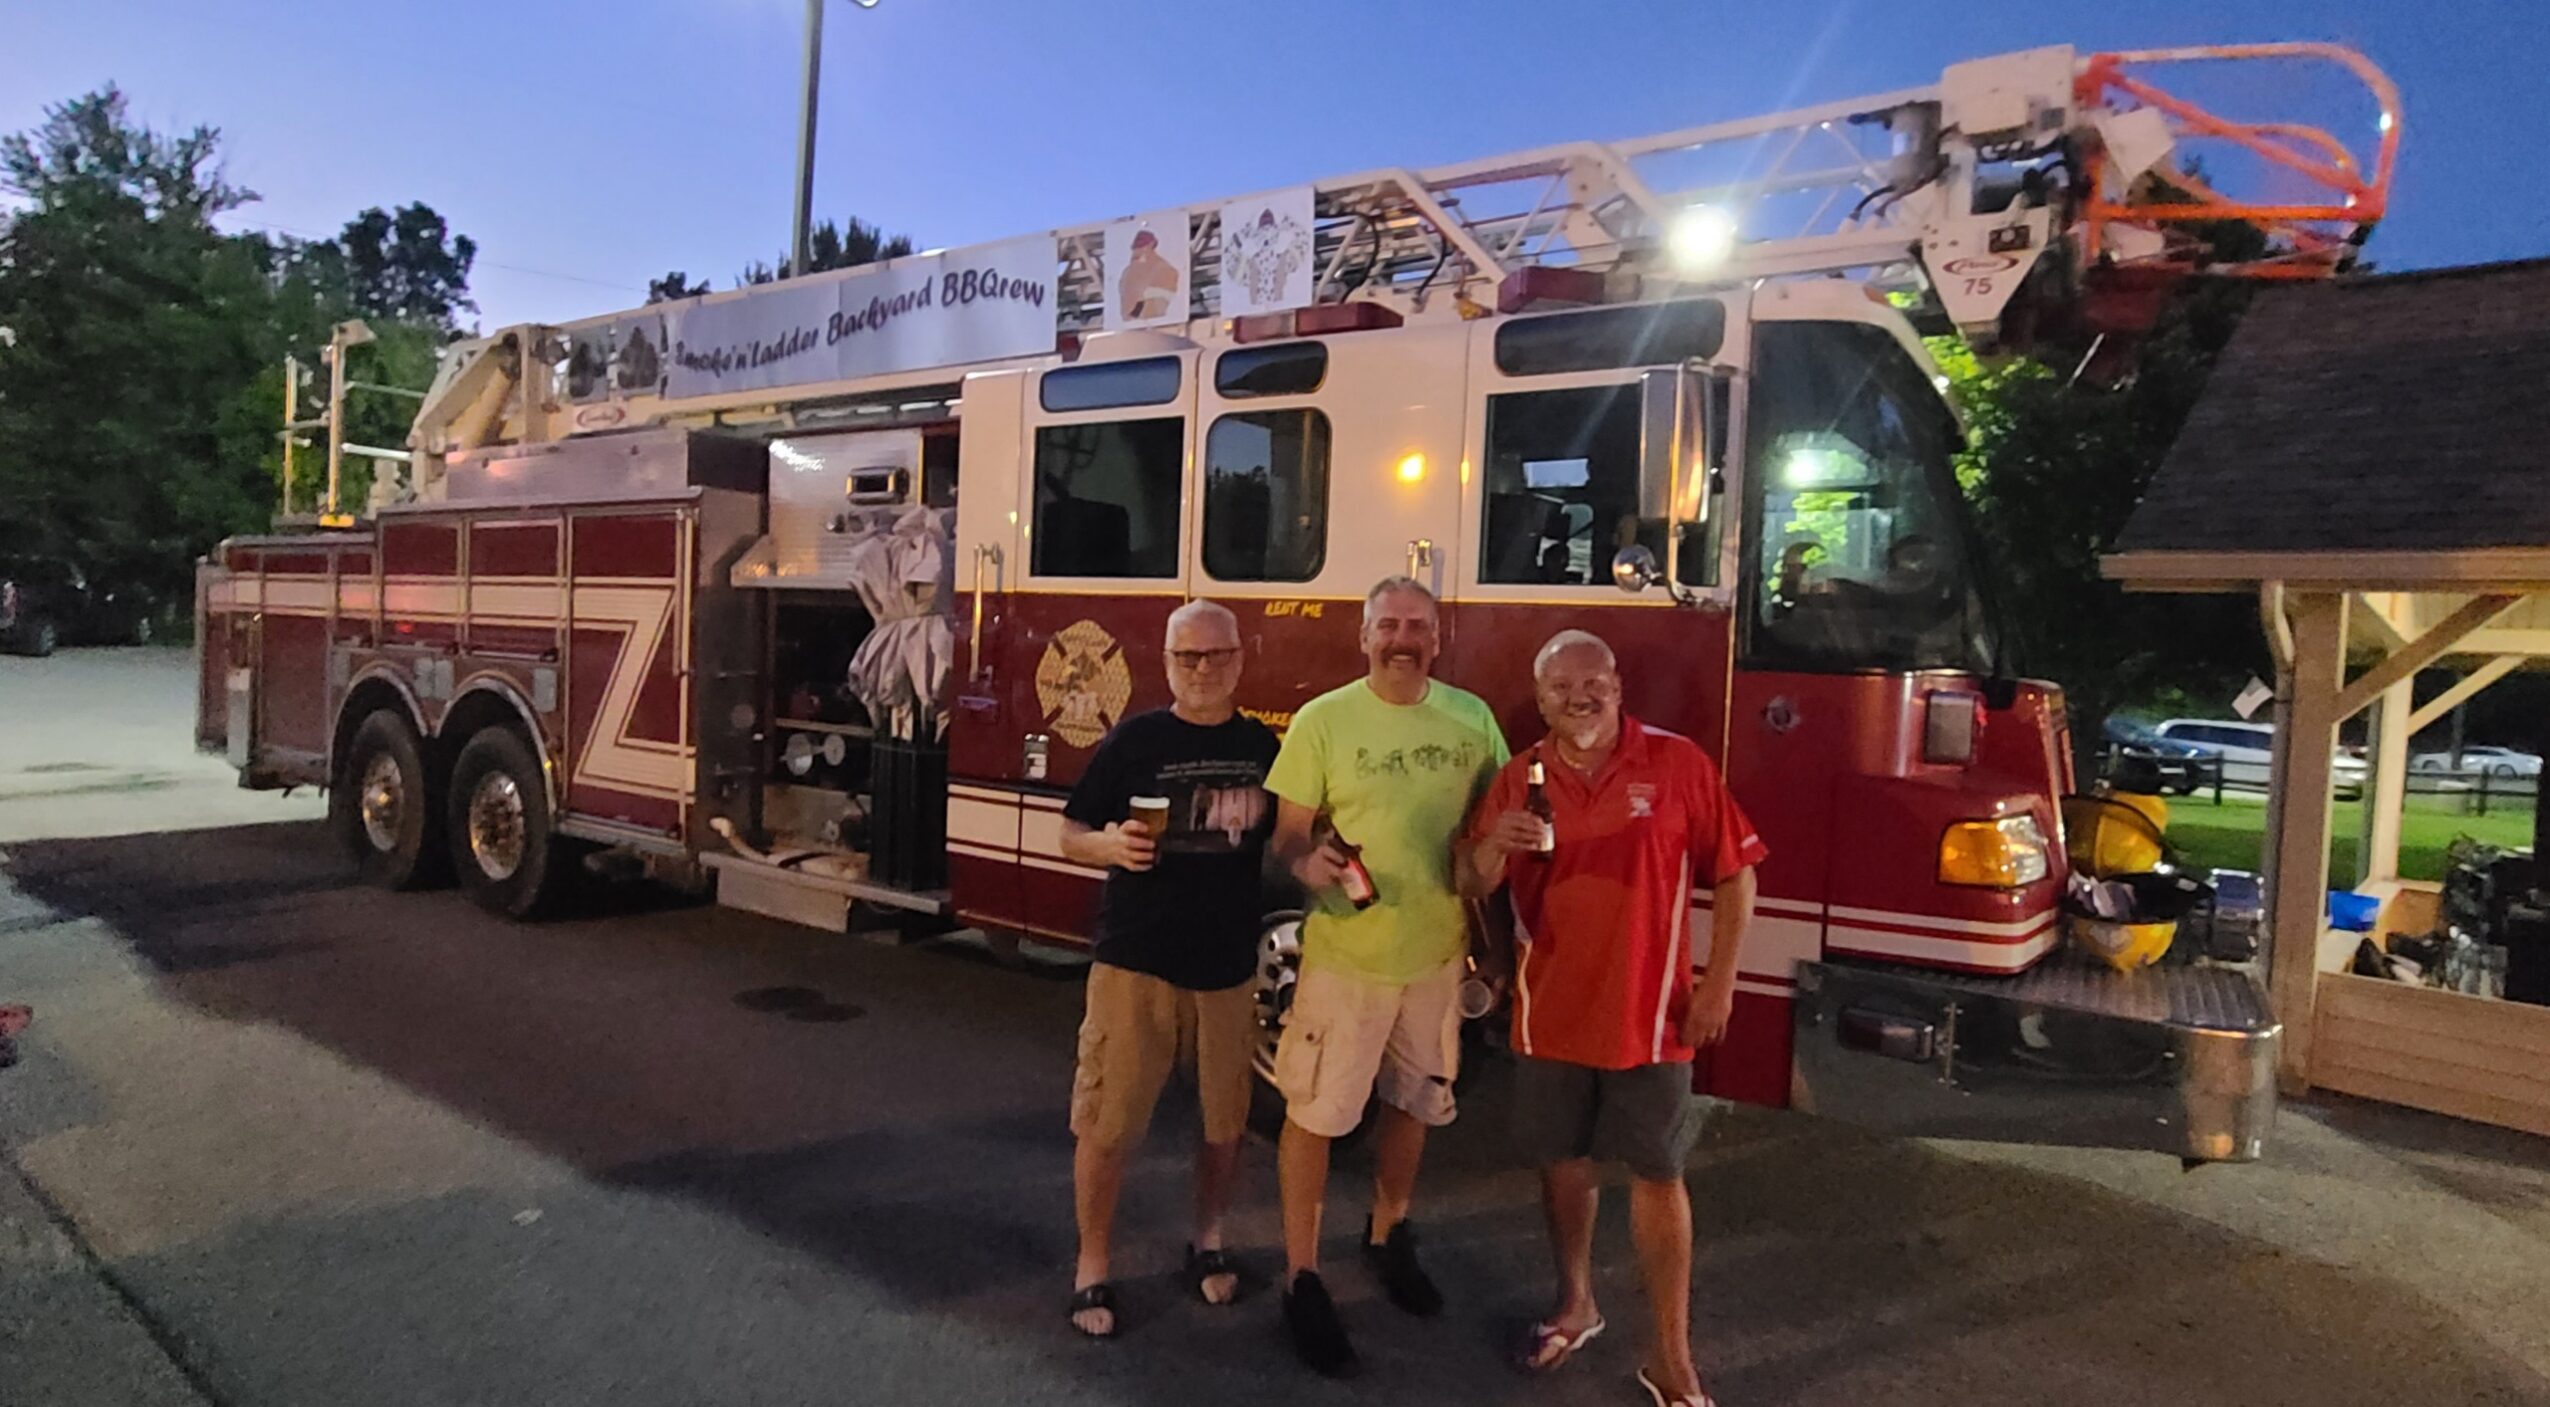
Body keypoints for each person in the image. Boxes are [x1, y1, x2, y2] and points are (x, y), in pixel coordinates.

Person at [1457, 629, 1764, 1407]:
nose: (1579, 697)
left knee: (1659, 1173)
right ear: (1542, 697)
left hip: (1653, 1015)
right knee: (1562, 1164)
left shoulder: (1676, 762)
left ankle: (1671, 1357)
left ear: (1619, 686)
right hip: (1549, 1013)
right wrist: (1495, 840)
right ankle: (1577, 1304)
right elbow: (1468, 877)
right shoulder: (1521, 775)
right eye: (1560, 687)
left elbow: (1736, 874)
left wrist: (1720, 984)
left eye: (1592, 682)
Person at [1263, 576, 1509, 1377]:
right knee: (1317, 1114)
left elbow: (1491, 834)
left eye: (1418, 626)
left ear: (1438, 639)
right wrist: (1313, 865)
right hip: (1347, 960)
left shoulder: (1473, 720)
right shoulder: (1322, 721)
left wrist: (1498, 948)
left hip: (1436, 957)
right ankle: (1302, 1273)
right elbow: (1286, 840)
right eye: (1388, 625)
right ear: (1362, 636)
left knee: (1416, 1101)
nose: (1403, 638)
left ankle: (1387, 1233)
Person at [1058, 599, 1278, 1338]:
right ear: (1167, 663)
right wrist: (1110, 848)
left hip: (1227, 964)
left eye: (1218, 655)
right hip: (1136, 960)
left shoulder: (1264, 748)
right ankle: (1093, 1267)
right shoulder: (1135, 740)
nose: (1204, 669)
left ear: (1241, 659)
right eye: (1189, 657)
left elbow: (1287, 844)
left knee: (1224, 1125)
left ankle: (1207, 1240)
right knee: (1108, 1123)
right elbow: (1071, 831)